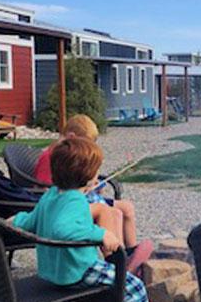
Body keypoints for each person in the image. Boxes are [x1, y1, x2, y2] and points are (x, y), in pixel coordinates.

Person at [11, 136, 169, 302]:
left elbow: (31, 221)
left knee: (104, 282)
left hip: (53, 271)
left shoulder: (51, 195)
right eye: (96, 170)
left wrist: (14, 221)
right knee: (131, 287)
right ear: (86, 175)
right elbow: (62, 230)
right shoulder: (75, 200)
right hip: (75, 271)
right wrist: (101, 234)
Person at [31, 114, 151, 270]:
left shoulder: (68, 153)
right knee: (114, 213)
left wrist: (88, 184)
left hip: (80, 196)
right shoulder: (53, 157)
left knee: (126, 207)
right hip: (68, 203)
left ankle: (129, 254)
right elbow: (47, 190)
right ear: (72, 137)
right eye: (86, 143)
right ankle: (120, 263)